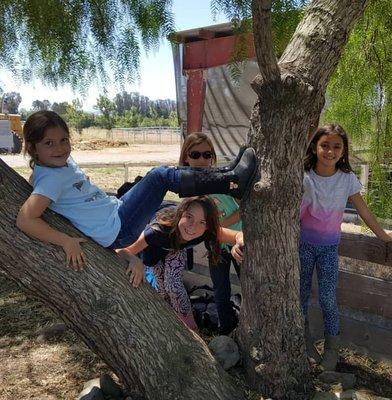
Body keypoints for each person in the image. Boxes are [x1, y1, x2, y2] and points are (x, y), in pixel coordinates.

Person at [16, 111, 256, 272]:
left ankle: (230, 205)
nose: (60, 148)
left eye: (64, 140)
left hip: (116, 210)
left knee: (179, 214)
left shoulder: (56, 165)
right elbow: (25, 219)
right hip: (118, 227)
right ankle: (231, 181)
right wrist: (66, 241)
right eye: (49, 143)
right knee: (159, 177)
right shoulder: (49, 181)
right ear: (32, 148)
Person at [300, 123, 392, 370]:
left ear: (343, 151)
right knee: (299, 297)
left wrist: (384, 236)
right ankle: (304, 342)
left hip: (329, 248)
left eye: (336, 146)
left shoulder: (347, 179)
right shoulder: (304, 176)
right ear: (315, 147)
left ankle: (332, 349)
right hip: (303, 246)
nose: (330, 151)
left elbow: (364, 211)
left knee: (329, 299)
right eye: (325, 145)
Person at [118, 196, 243, 331]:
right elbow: (121, 250)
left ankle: (191, 329)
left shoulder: (204, 230)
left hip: (177, 248)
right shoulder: (156, 231)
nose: (193, 227)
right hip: (157, 246)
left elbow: (237, 235)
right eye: (189, 217)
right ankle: (165, 322)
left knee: (173, 285)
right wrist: (134, 259)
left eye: (202, 222)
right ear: (181, 212)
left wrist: (237, 244)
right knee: (160, 288)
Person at [179, 132, 242, 334]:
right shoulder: (187, 188)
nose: (202, 160)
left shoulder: (222, 178)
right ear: (185, 157)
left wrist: (218, 225)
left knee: (250, 287)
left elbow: (243, 208)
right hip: (216, 247)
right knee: (221, 291)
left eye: (207, 155)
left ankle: (246, 331)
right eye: (195, 154)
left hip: (240, 242)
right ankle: (226, 332)